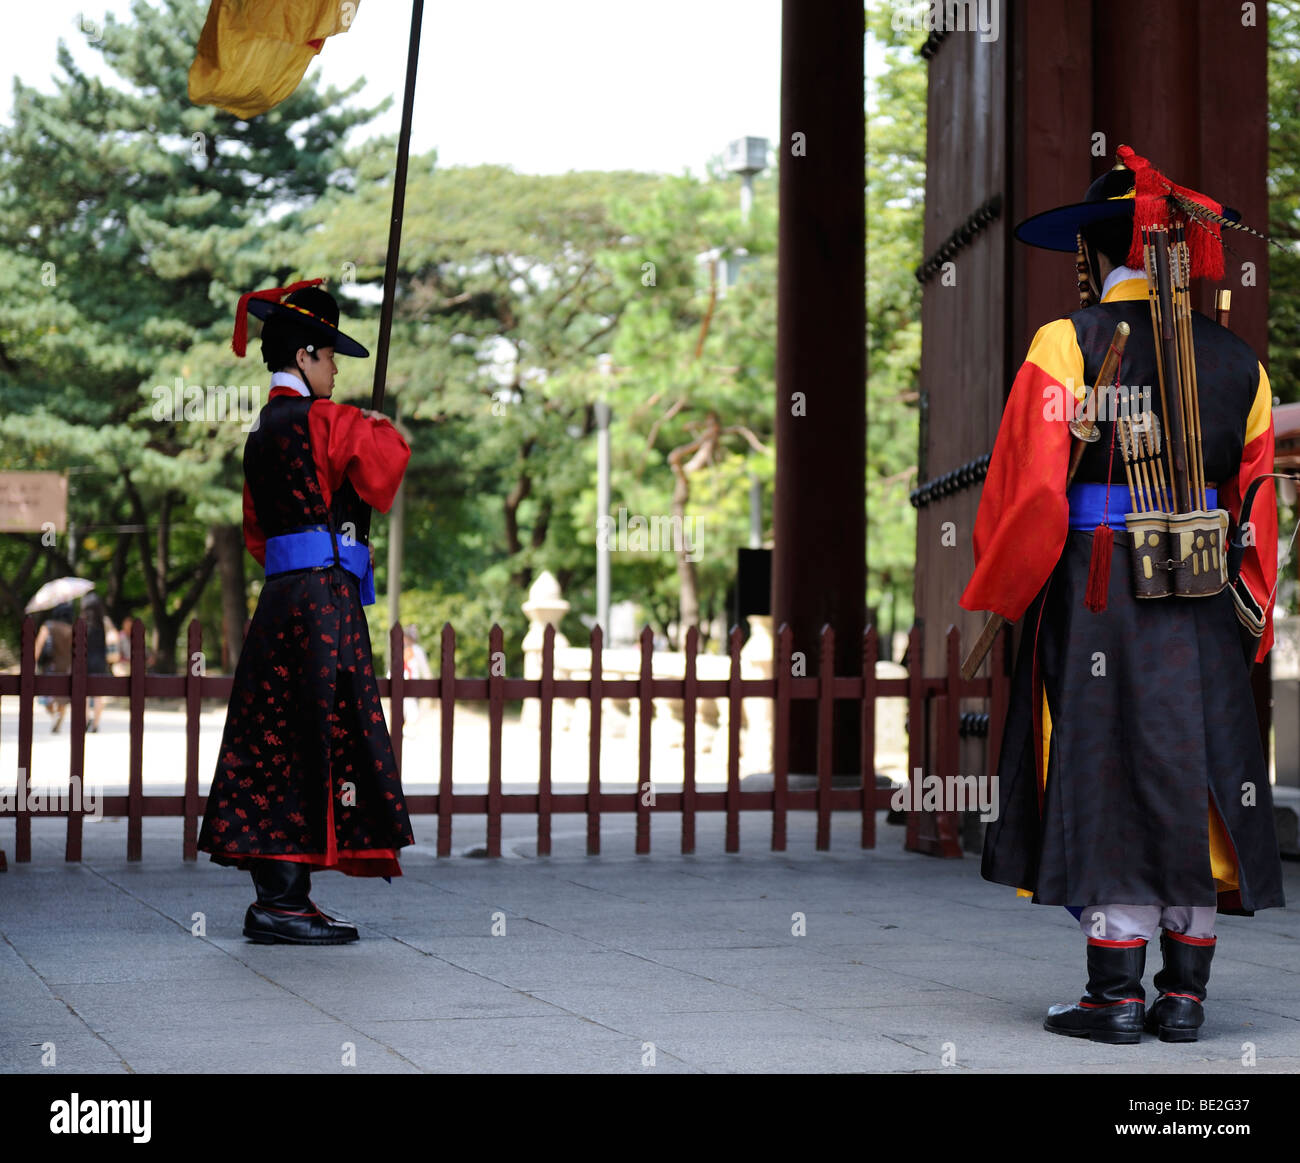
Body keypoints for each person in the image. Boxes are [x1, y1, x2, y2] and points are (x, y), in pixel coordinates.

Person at [960, 146, 1283, 1044]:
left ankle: (1116, 993)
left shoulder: (1069, 343)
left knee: (1106, 767)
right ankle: (1186, 994)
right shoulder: (1241, 363)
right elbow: (1257, 507)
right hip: (1205, 588)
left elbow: (1029, 491)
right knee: (1202, 771)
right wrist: (1250, 614)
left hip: (1099, 581)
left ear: (1095, 257)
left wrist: (1010, 586)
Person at [197, 280, 413, 945]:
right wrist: (375, 426)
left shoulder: (261, 430)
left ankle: (283, 897)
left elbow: (259, 532)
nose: (338, 370)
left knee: (274, 739)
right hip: (322, 604)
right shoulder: (327, 420)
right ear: (310, 353)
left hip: (282, 601)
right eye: (331, 358)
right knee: (315, 735)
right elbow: (386, 468)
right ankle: (283, 903)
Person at [80, 593, 117, 732]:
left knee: (82, 693)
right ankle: (95, 724)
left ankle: (84, 721)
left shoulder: (81, 622)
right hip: (100, 660)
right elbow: (113, 637)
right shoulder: (104, 621)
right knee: (98, 694)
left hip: (84, 661)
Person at [33, 604, 74, 733]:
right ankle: (59, 717)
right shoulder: (71, 629)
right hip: (66, 666)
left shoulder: (48, 626)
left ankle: (54, 715)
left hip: (50, 665)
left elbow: (38, 646)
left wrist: (33, 662)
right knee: (62, 696)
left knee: (47, 695)